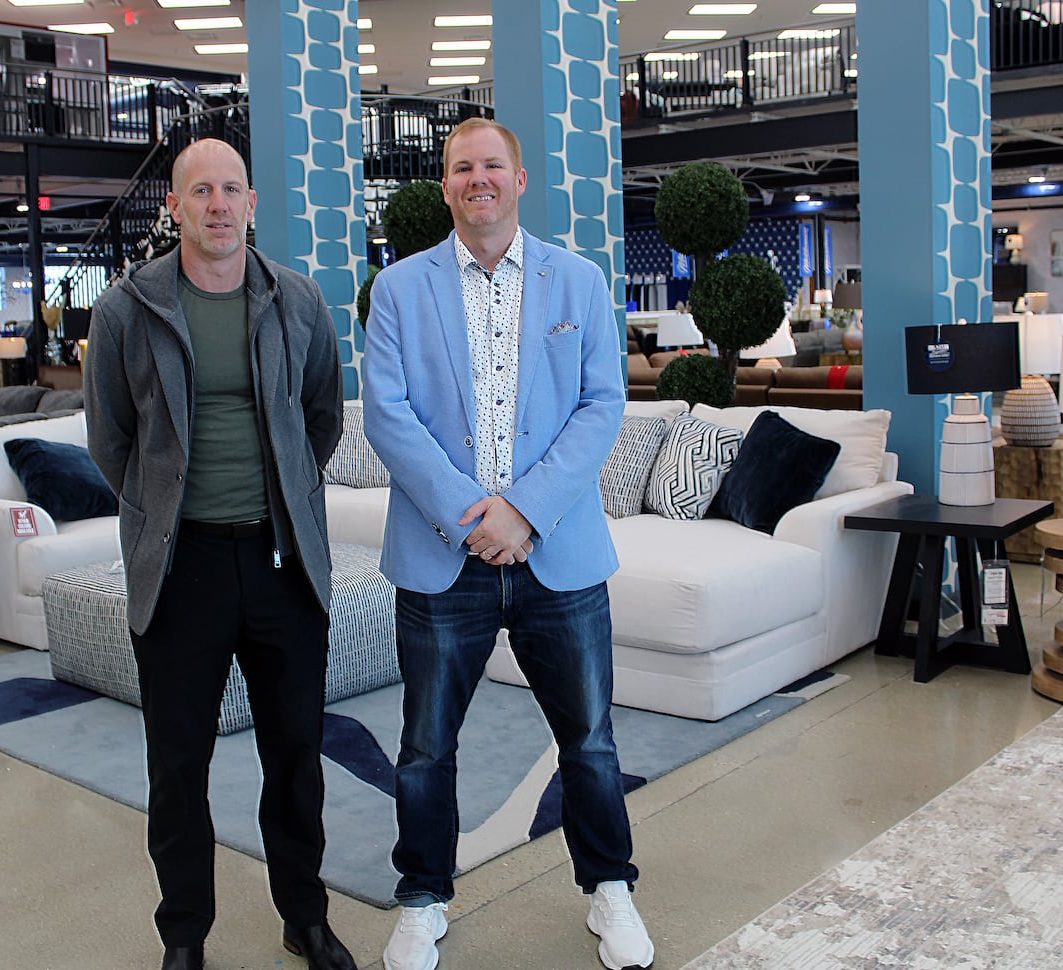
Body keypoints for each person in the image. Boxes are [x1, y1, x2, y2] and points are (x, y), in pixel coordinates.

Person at [362, 118, 656, 970]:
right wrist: (472, 513)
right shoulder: (399, 291)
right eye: (462, 168)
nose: (477, 179)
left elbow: (602, 406)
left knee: (591, 742)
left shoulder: (579, 281)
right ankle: (421, 900)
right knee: (424, 749)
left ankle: (610, 892)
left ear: (520, 181)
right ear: (445, 185)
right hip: (439, 557)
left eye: (492, 165)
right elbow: (389, 415)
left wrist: (523, 512)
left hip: (557, 555)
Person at [84, 137, 355, 970]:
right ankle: (184, 936)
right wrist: (168, 506)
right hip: (181, 569)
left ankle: (304, 918)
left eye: (232, 188)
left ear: (252, 203)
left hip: (281, 564)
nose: (217, 205)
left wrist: (278, 499)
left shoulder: (296, 300)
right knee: (177, 767)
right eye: (200, 190)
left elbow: (322, 417)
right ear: (174, 206)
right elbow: (110, 439)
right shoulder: (127, 310)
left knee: (296, 758)